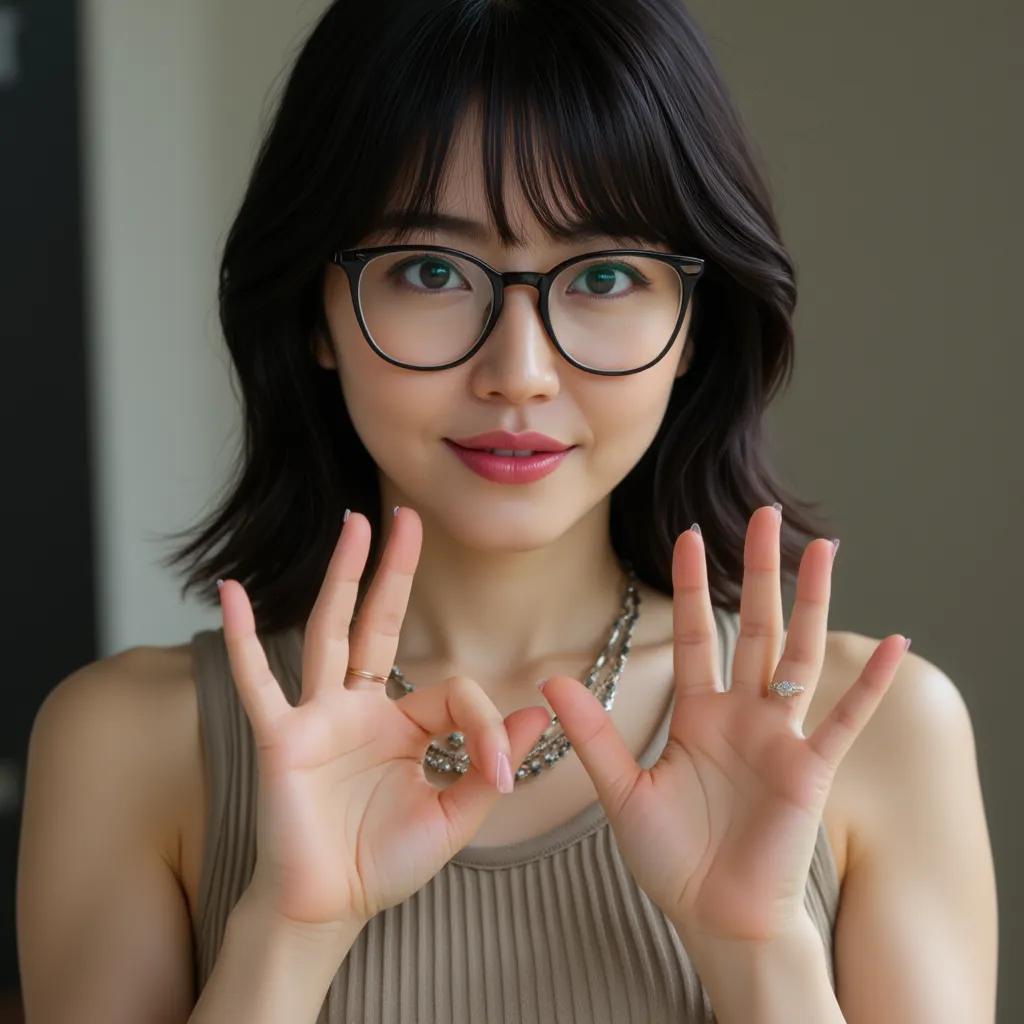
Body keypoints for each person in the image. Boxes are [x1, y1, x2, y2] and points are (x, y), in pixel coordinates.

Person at [16, 1, 998, 1022]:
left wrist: (761, 956)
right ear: (315, 308)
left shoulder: (878, 733)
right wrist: (288, 931)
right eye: (430, 270)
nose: (519, 373)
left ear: (693, 325)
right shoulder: (129, 744)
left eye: (607, 274)